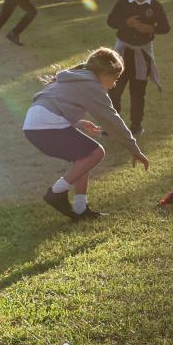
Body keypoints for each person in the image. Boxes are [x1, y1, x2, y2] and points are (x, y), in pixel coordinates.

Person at [23, 47, 149, 221]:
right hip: (47, 124)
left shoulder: (74, 77)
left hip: (33, 125)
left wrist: (77, 122)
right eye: (115, 78)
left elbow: (48, 100)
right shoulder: (91, 85)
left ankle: (81, 209)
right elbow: (112, 120)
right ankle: (56, 192)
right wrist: (134, 149)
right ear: (104, 73)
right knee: (96, 152)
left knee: (83, 158)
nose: (114, 84)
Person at [106, 0, 170, 136]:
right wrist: (126, 22)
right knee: (114, 89)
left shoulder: (154, 5)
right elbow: (111, 21)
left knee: (138, 92)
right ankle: (112, 125)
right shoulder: (123, 2)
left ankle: (136, 126)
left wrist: (149, 28)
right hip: (121, 53)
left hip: (141, 54)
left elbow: (165, 27)